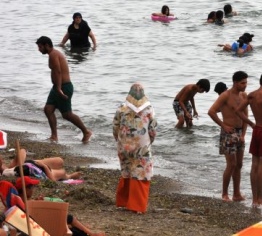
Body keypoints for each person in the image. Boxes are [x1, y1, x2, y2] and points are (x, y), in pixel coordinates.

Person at [0, 176, 105, 236]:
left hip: (36, 225)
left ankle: (89, 233)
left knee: (70, 223)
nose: (33, 190)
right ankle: (90, 233)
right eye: (32, 188)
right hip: (39, 228)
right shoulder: (23, 205)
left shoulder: (15, 205)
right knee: (70, 221)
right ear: (26, 189)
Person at [36, 36, 92, 143]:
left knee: (67, 114)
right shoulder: (53, 54)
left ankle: (86, 132)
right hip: (57, 87)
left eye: (40, 47)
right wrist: (56, 88)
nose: (39, 49)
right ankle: (54, 136)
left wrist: (58, 89)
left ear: (47, 45)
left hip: (63, 87)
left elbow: (58, 72)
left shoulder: (53, 54)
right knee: (48, 109)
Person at [113, 83, 157, 214]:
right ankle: (136, 206)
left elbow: (115, 127)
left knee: (126, 171)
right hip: (142, 147)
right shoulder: (149, 110)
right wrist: (150, 142)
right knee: (141, 174)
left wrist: (119, 141)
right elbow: (153, 130)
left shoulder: (121, 108)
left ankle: (123, 201)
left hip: (124, 145)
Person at [207, 72, 249, 202]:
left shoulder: (244, 96)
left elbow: (245, 116)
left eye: (246, 82)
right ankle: (224, 193)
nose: (245, 85)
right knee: (231, 164)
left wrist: (243, 134)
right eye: (242, 83)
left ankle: (237, 193)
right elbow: (211, 111)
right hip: (228, 133)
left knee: (239, 164)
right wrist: (223, 125)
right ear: (235, 82)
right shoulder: (225, 95)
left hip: (240, 131)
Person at [236, 72, 262, 207]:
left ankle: (254, 200)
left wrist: (251, 123)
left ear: (260, 82)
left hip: (257, 130)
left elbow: (238, 111)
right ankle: (260, 199)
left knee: (254, 166)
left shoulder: (251, 94)